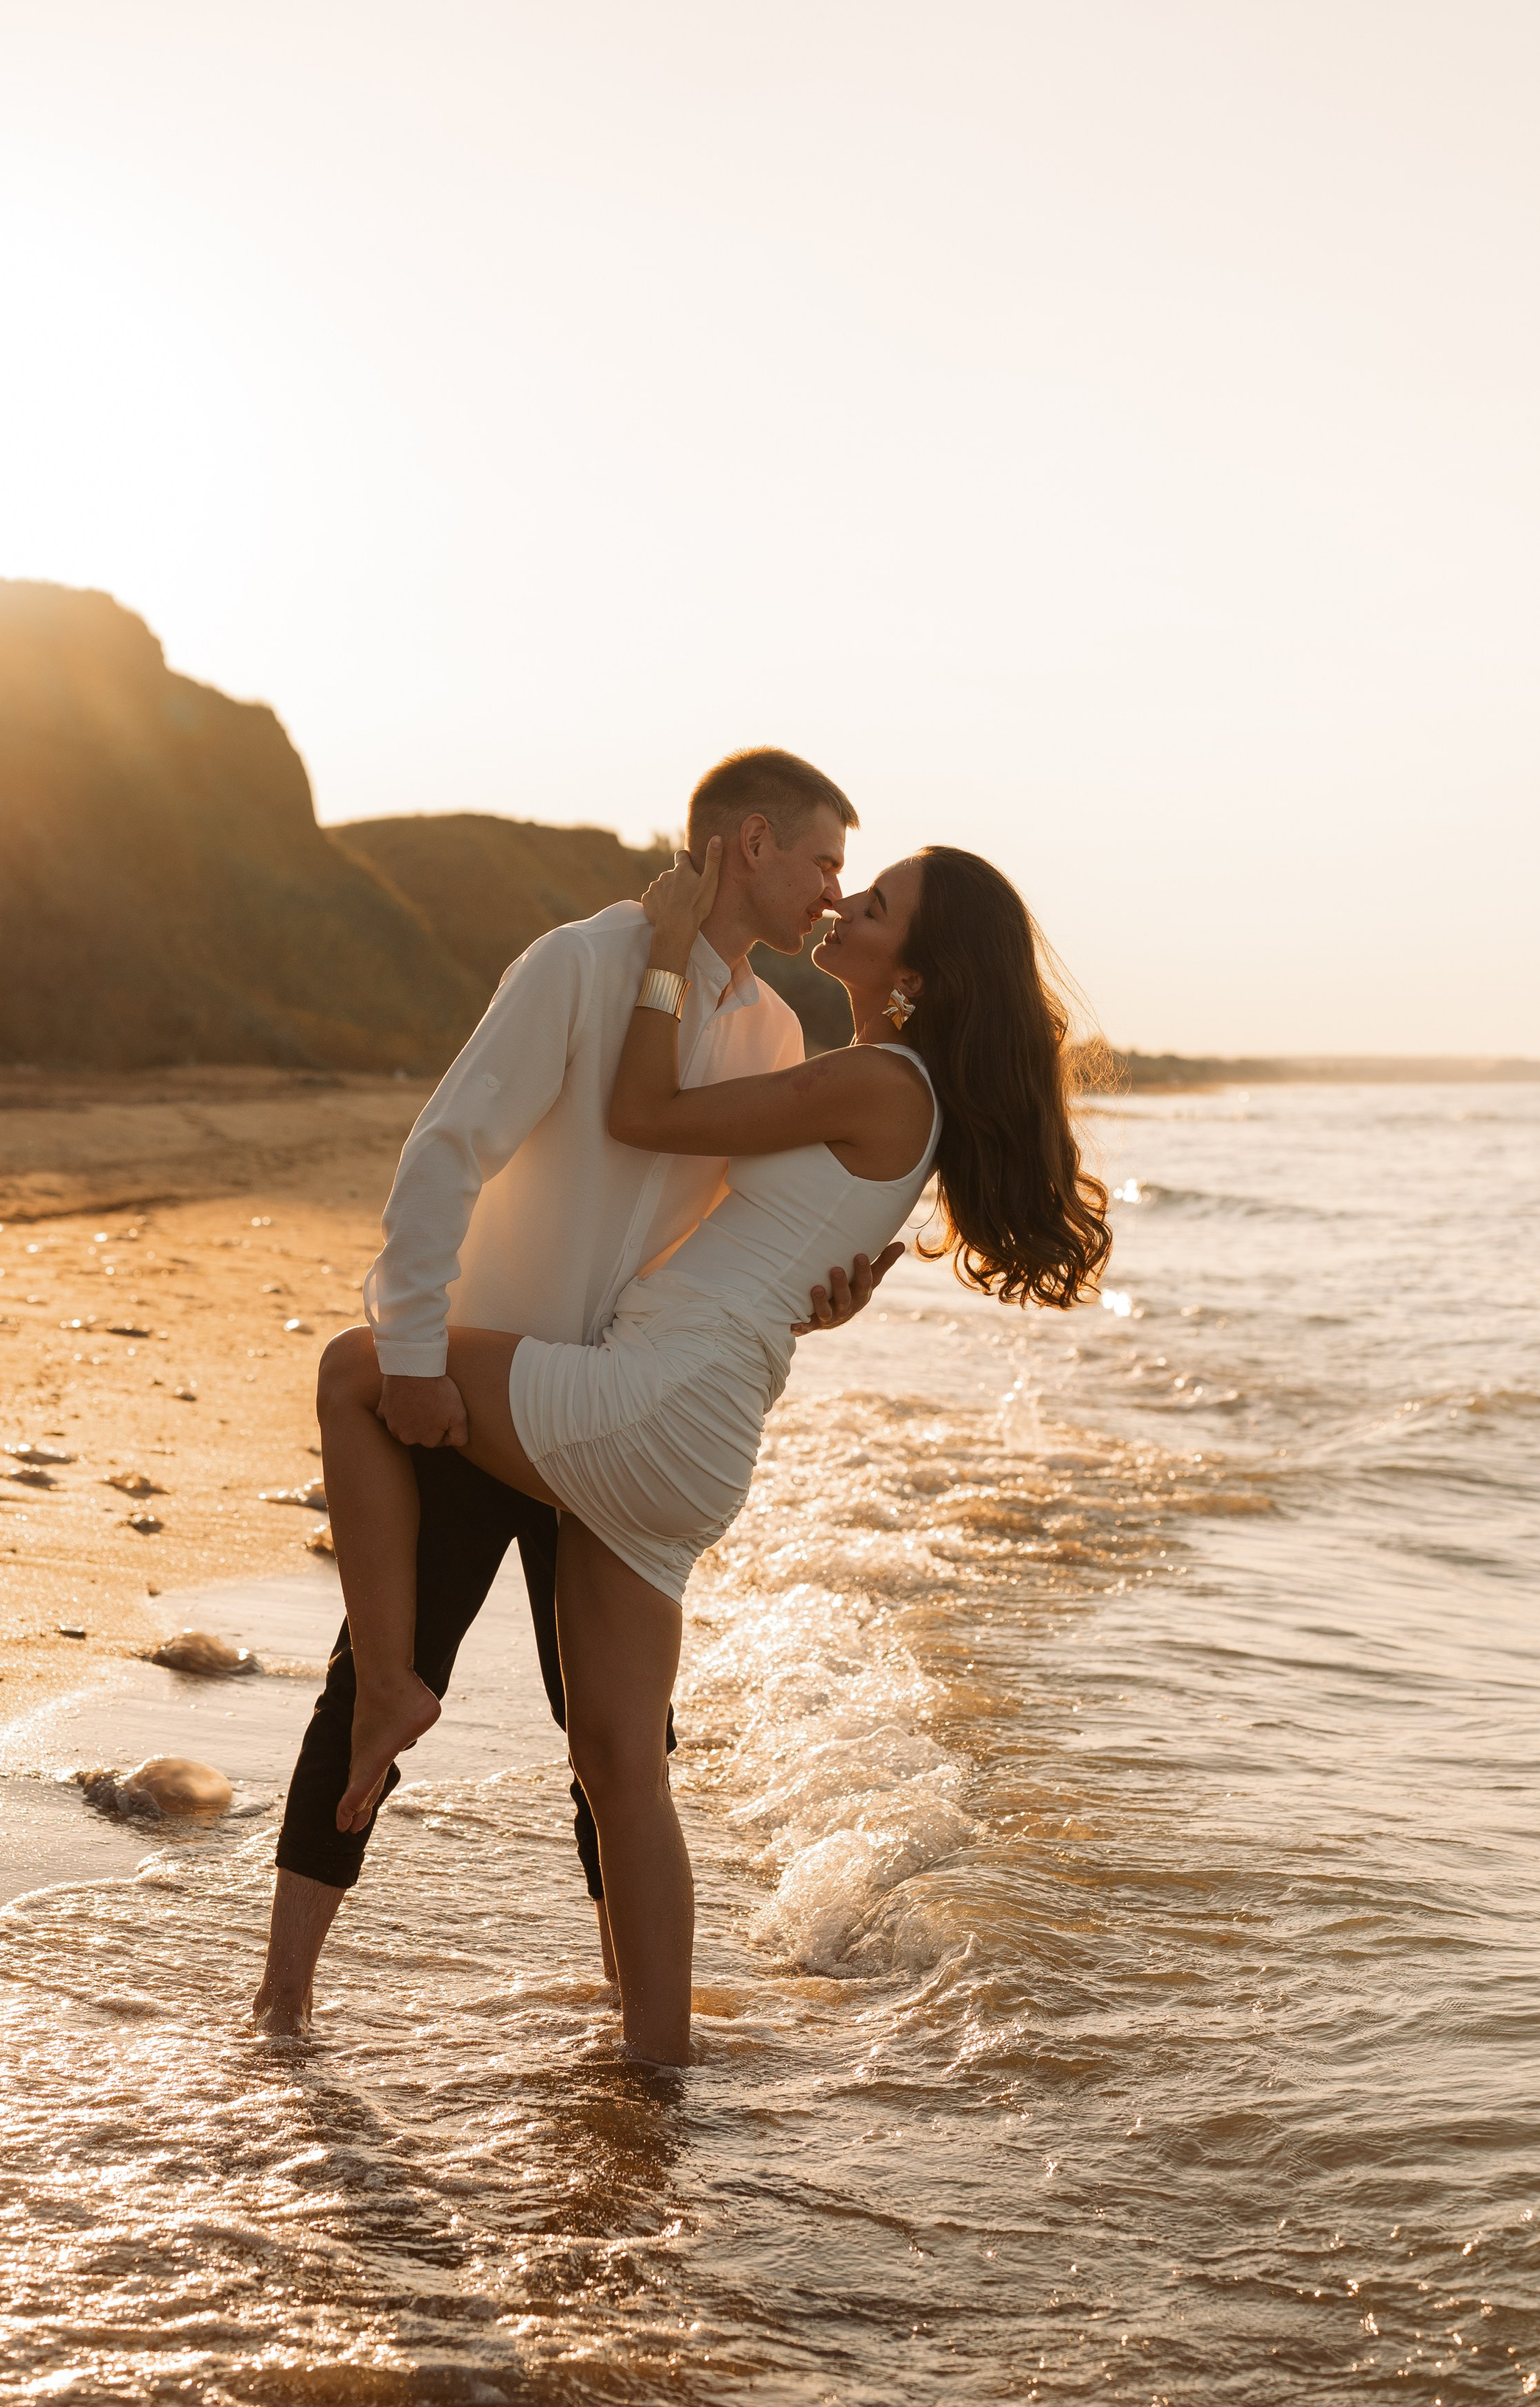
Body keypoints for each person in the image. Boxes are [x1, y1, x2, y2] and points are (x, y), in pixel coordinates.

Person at [316, 840, 1112, 2063]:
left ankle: (388, 1683)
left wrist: (670, 955)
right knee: (620, 1768)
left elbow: (644, 1115)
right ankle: (655, 2079)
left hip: (655, 1399)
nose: (846, 901)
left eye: (880, 900)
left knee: (363, 1369)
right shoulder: (884, 1082)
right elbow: (773, 1234)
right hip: (696, 1429)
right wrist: (819, 1295)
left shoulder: (885, 1080)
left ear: (924, 969)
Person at [254, 748, 903, 2032]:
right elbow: (448, 1148)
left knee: (617, 1746)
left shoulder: (774, 1033)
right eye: (826, 861)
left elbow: (750, 1242)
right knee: (377, 1683)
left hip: (612, 1408)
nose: (836, 892)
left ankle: (635, 2021)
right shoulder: (583, 963)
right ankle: (282, 2003)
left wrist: (824, 1292)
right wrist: (423, 1354)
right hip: (479, 1383)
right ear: (754, 843)